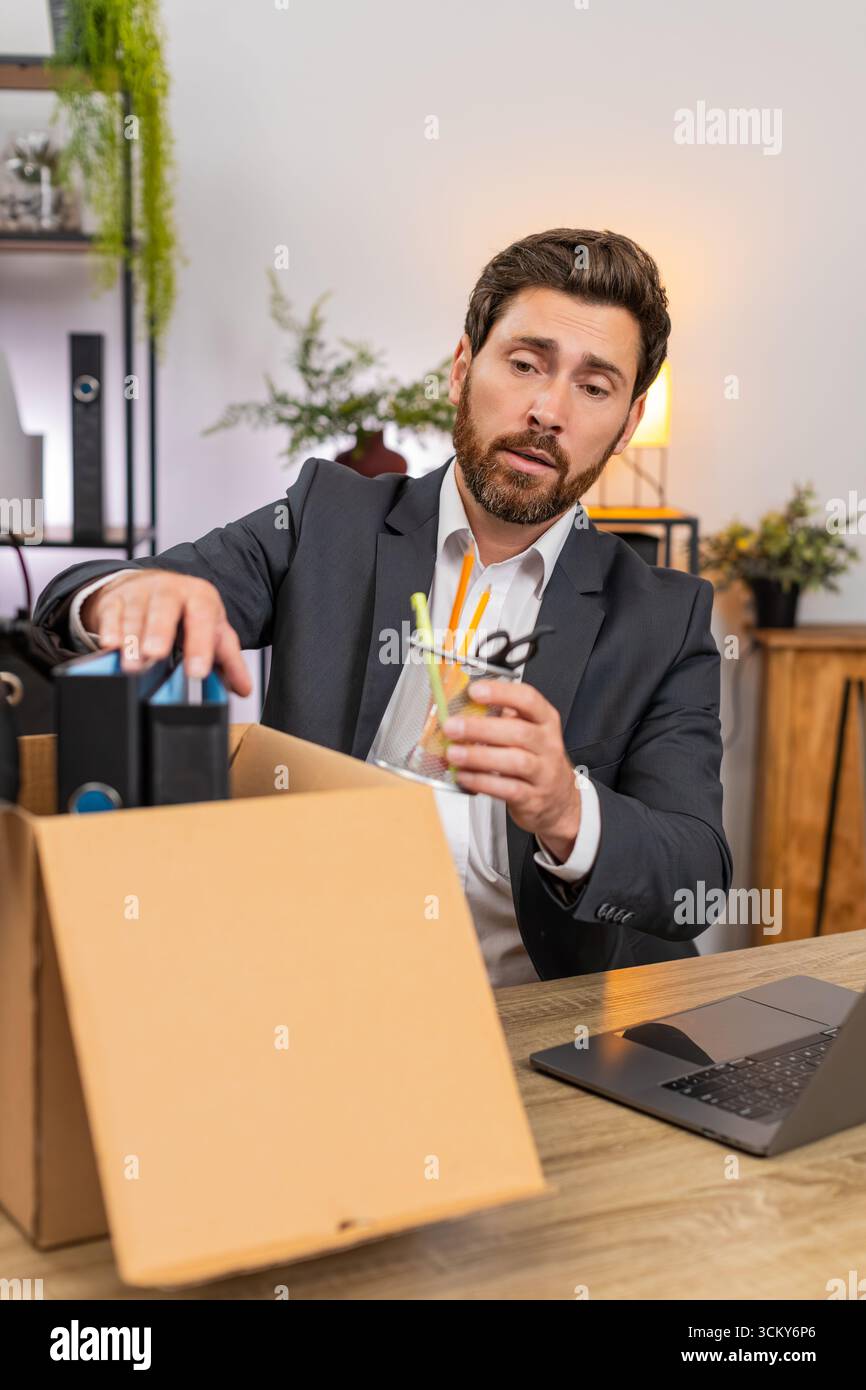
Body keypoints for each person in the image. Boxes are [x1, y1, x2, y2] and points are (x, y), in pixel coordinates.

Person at [34, 227, 733, 984]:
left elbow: (694, 879)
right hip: (307, 988)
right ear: (462, 369)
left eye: (594, 388)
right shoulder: (327, 519)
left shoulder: (665, 618)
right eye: (525, 363)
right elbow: (88, 604)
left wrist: (567, 808)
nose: (547, 409)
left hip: (527, 1017)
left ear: (627, 424)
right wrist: (130, 595)